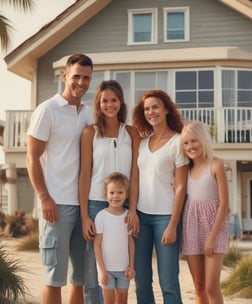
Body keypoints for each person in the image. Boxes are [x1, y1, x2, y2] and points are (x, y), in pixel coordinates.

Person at [26, 53, 93, 304]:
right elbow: (31, 158)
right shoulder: (47, 110)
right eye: (76, 76)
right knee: (54, 277)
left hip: (85, 207)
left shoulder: (89, 113)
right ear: (65, 76)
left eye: (86, 78)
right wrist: (44, 197)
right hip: (56, 206)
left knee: (80, 278)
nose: (81, 83)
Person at [79, 80, 140, 304]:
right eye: (105, 100)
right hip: (96, 204)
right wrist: (85, 215)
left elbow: (135, 173)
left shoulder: (131, 133)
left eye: (114, 100)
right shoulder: (89, 133)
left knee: (122, 259)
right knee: (93, 269)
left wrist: (132, 208)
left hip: (125, 205)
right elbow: (85, 174)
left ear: (121, 102)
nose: (109, 105)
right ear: (98, 103)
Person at [132, 89, 188, 303]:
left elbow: (181, 186)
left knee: (169, 282)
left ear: (166, 109)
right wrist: (133, 212)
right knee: (142, 281)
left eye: (155, 107)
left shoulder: (178, 141)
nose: (151, 112)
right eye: (146, 109)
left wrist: (173, 224)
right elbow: (135, 180)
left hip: (165, 218)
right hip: (141, 218)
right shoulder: (142, 143)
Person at [180, 120, 229, 304]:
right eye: (186, 143)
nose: (190, 146)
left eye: (194, 141)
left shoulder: (216, 165)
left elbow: (224, 204)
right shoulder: (185, 170)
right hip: (192, 227)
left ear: (203, 140)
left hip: (214, 228)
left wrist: (212, 237)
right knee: (199, 285)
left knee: (211, 286)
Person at [94, 172, 136, 304]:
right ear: (106, 195)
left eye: (120, 192)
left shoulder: (128, 216)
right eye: (111, 193)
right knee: (109, 301)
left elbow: (130, 243)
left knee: (123, 300)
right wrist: (102, 270)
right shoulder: (101, 216)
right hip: (107, 270)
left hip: (124, 269)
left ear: (126, 194)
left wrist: (131, 266)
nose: (115, 196)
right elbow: (97, 244)